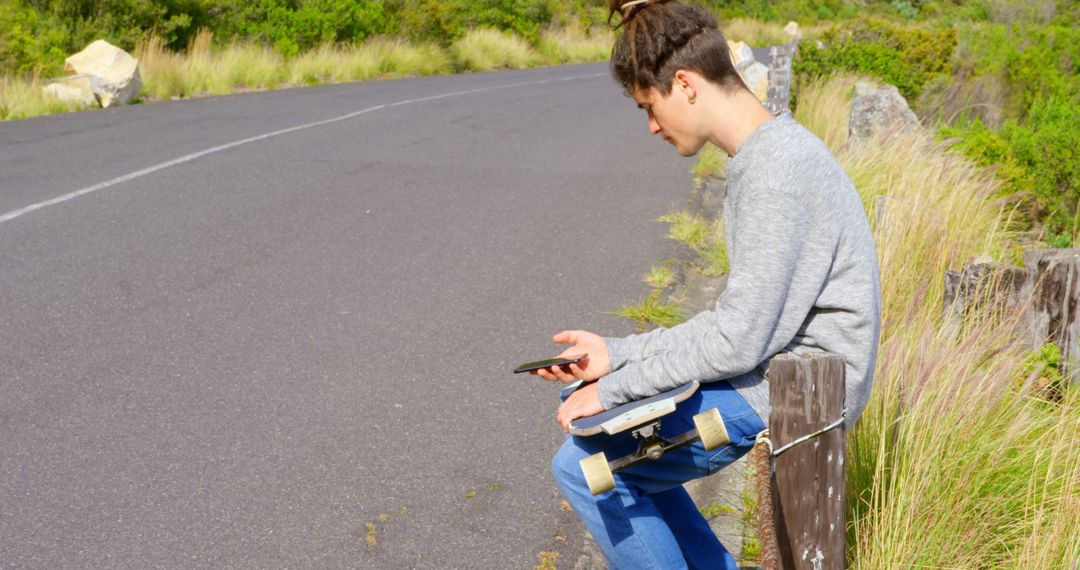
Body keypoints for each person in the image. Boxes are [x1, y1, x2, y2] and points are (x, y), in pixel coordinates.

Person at [529, 1, 882, 568]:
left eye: (650, 106)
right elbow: (737, 328)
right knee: (607, 447)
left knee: (588, 468)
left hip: (797, 395)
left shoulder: (775, 176)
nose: (650, 127)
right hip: (779, 372)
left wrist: (617, 388)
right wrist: (616, 356)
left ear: (686, 85)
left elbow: (737, 341)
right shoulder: (767, 157)